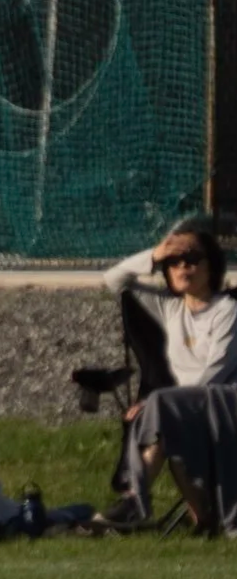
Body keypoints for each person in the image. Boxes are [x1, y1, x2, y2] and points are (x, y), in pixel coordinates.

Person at [95, 226, 237, 529]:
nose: (183, 266)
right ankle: (201, 518)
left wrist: (163, 402)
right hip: (185, 406)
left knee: (160, 411)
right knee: (165, 426)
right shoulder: (169, 308)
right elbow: (113, 279)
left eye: (193, 258)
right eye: (174, 261)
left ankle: (134, 501)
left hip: (224, 402)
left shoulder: (227, 310)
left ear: (211, 266)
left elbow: (216, 371)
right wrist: (156, 254)